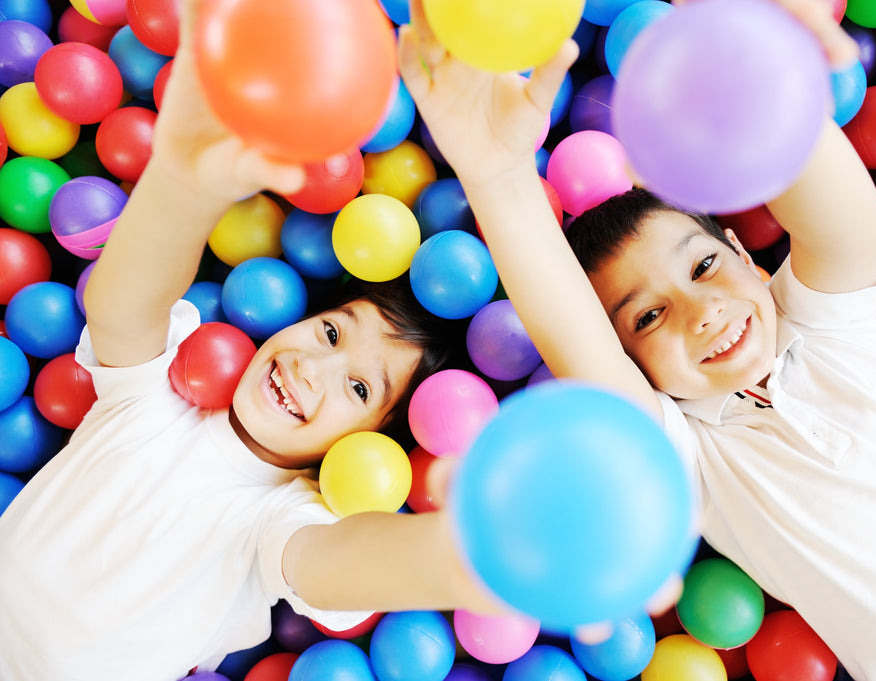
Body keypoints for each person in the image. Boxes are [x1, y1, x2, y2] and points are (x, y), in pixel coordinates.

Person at [397, 0, 876, 678]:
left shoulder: (829, 323)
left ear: (746, 256)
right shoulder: (688, 458)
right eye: (648, 317)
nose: (700, 312)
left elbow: (842, 220)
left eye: (703, 267)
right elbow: (568, 331)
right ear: (634, 364)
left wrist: (754, 47)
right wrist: (497, 177)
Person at [0, 2, 501, 679]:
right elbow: (121, 309)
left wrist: (485, 565)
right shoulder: (162, 398)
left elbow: (341, 566)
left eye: (358, 387)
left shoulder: (281, 516)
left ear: (373, 440)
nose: (313, 368)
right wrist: (178, 182)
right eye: (329, 331)